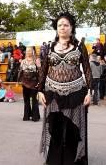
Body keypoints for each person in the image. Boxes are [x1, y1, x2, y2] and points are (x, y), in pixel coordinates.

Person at [37, 12, 92, 165]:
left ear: (71, 27)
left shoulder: (80, 47)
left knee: (72, 128)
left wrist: (90, 92)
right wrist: (40, 91)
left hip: (76, 93)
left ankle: (73, 160)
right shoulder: (48, 47)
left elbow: (87, 69)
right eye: (60, 25)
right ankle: (55, 160)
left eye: (66, 25)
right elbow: (43, 71)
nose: (63, 27)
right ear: (56, 28)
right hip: (52, 92)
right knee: (55, 127)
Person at [18, 47, 40, 122]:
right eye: (27, 51)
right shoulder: (23, 61)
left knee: (34, 100)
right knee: (26, 100)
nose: (28, 52)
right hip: (25, 82)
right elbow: (20, 71)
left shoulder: (36, 60)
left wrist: (40, 82)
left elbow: (40, 72)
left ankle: (35, 116)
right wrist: (18, 81)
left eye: (30, 51)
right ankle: (26, 115)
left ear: (33, 51)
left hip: (34, 83)